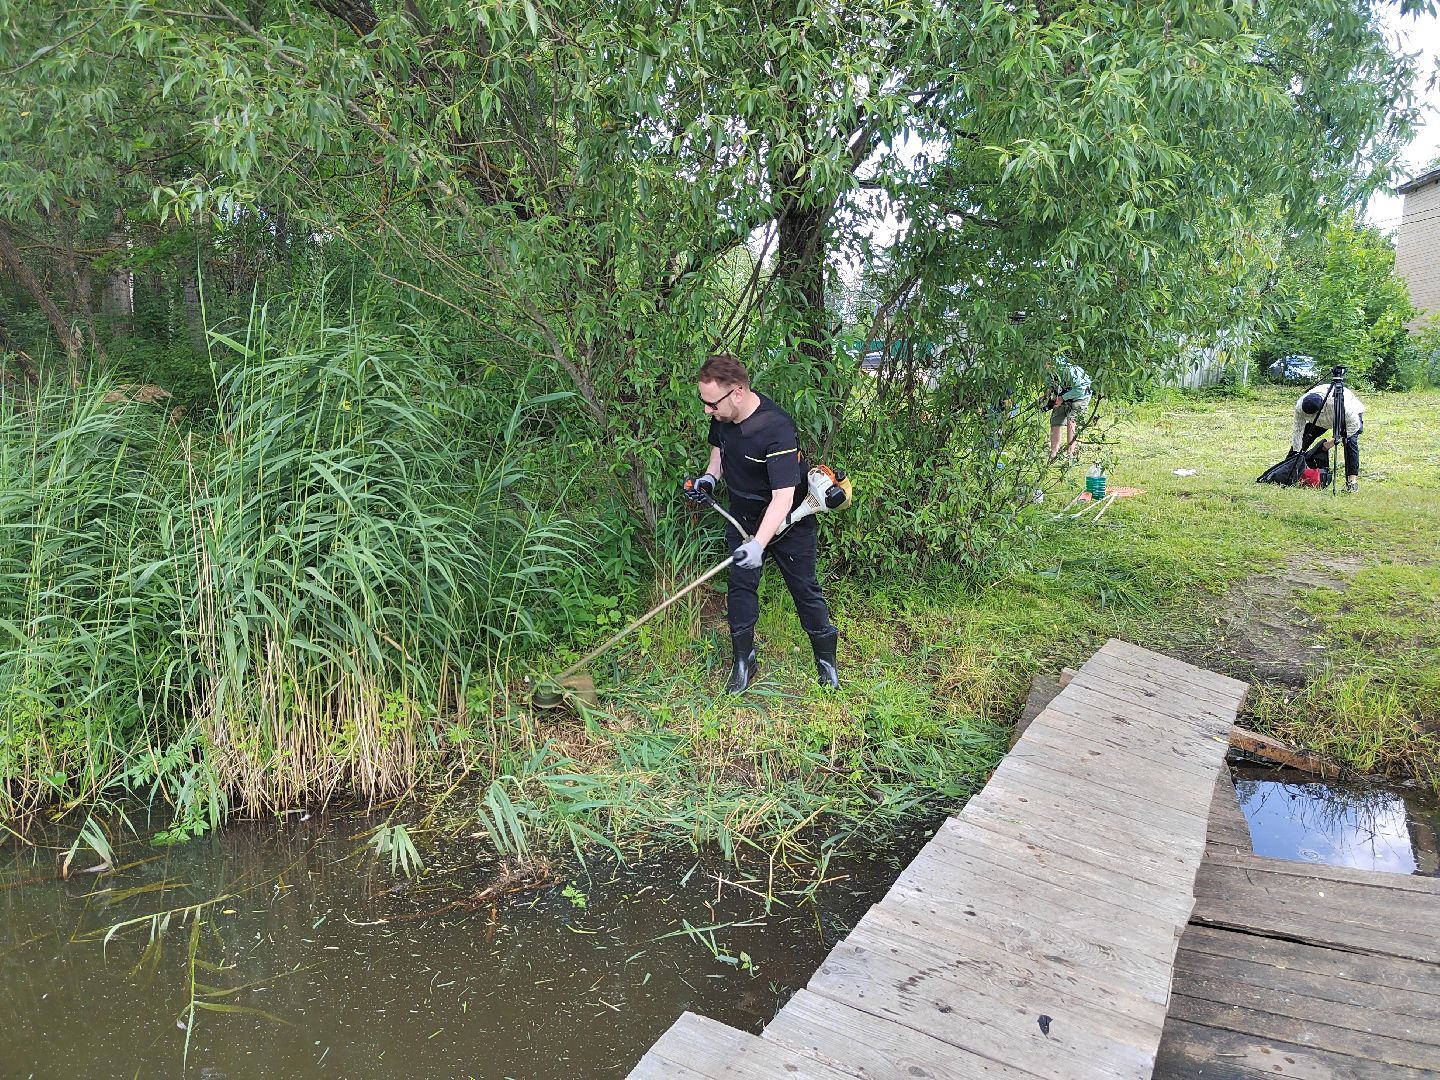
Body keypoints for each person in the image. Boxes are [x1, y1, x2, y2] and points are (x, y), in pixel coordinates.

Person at [683, 354, 839, 693]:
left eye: (711, 404)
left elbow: (783, 496)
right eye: (704, 403)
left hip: (789, 524)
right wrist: (709, 479)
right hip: (742, 517)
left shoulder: (776, 428)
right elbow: (719, 452)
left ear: (736, 392)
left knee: (805, 591)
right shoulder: (722, 415)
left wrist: (758, 544)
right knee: (740, 589)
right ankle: (744, 661)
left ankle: (826, 663)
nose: (707, 410)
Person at [1292, 374, 1364, 492]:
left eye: (1313, 415)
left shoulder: (1344, 406)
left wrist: (1332, 442)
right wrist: (1296, 452)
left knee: (1350, 442)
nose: (1311, 417)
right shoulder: (1300, 406)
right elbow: (1297, 431)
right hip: (1323, 418)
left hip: (1343, 417)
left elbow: (1353, 428)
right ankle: (1289, 469)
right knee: (1305, 437)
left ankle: (1352, 483)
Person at [1044, 358, 1091, 461]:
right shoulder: (1049, 372)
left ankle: (1070, 453)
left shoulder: (1069, 370)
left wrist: (1062, 398)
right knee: (1055, 420)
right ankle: (1054, 452)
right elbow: (1051, 385)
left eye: (1047, 364)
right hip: (1064, 395)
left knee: (1071, 420)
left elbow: (1080, 389)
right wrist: (1047, 397)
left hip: (1080, 396)